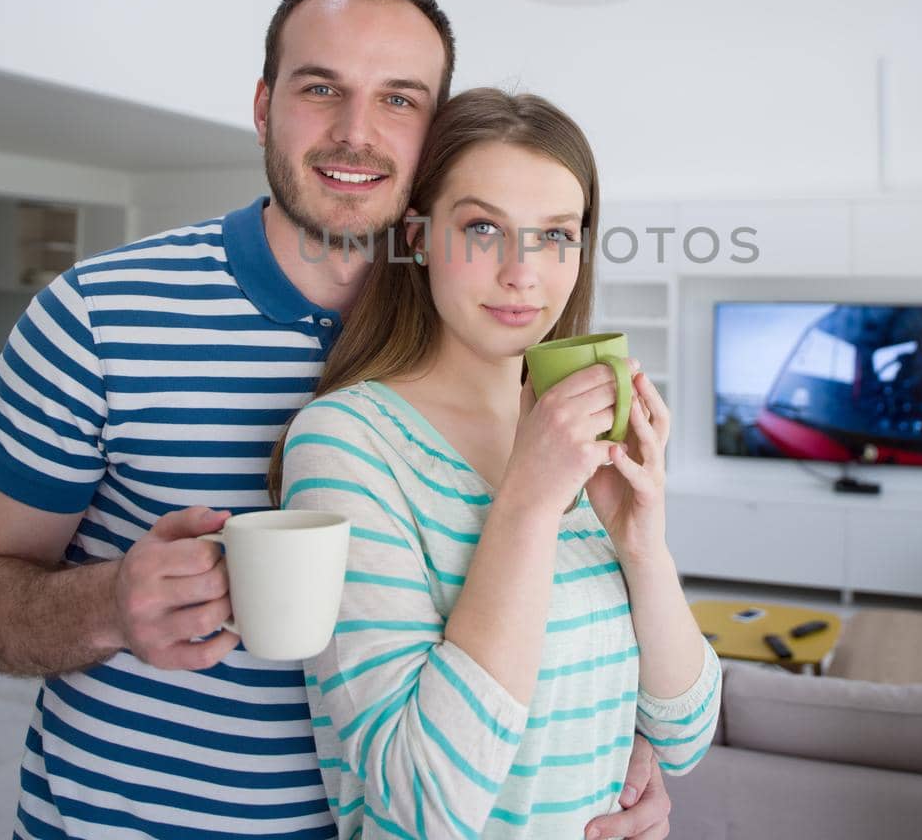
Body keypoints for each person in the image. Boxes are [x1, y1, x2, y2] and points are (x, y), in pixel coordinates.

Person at [0, 0, 675, 840]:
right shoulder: (98, 315)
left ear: (435, 140)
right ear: (262, 108)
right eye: (321, 88)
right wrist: (106, 605)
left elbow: (552, 607)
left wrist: (613, 752)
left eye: (399, 98)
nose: (357, 132)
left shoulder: (496, 341)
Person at [273, 88, 720, 838]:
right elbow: (421, 797)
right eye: (482, 228)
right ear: (417, 237)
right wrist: (527, 505)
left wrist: (641, 543)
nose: (523, 273)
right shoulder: (346, 442)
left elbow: (685, 734)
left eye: (556, 236)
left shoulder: (573, 438)